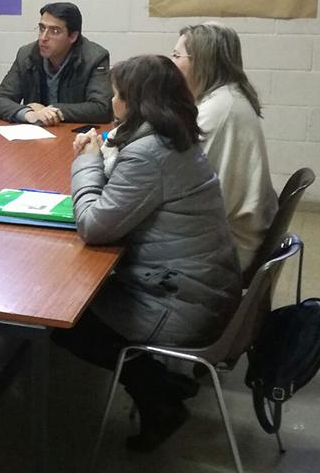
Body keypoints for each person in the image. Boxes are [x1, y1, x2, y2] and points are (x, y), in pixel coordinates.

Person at [52, 55, 240, 452]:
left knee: (66, 320)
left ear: (137, 104)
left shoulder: (149, 153)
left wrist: (85, 161)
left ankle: (158, 394)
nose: (112, 102)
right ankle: (163, 382)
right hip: (200, 285)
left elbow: (93, 225)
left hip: (181, 303)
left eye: (118, 95)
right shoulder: (172, 134)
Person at [172, 22, 277, 270]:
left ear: (201, 61)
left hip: (224, 251)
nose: (171, 64)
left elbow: (179, 187)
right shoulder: (226, 96)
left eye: (176, 56)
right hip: (232, 235)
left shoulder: (218, 110)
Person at [0, 2, 111, 125]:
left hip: (73, 136)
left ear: (72, 37)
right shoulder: (26, 55)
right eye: (42, 28)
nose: (43, 37)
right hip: (35, 135)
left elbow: (102, 109)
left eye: (55, 31)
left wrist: (50, 110)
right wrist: (29, 113)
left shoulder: (95, 58)